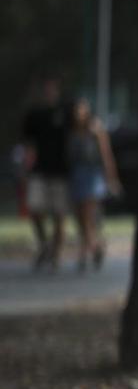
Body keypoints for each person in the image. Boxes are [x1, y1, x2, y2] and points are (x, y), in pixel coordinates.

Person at [20, 74, 72, 272]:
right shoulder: (35, 114)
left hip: (61, 171)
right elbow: (27, 143)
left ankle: (56, 254)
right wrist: (26, 165)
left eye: (52, 88)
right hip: (39, 170)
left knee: (60, 214)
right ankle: (44, 245)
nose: (49, 92)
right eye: (46, 88)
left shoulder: (65, 112)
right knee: (34, 208)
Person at [65, 97, 122, 271]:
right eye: (76, 110)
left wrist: (111, 178)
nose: (79, 113)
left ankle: (86, 253)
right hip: (77, 176)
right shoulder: (72, 131)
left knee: (88, 216)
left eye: (82, 109)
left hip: (93, 176)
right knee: (80, 219)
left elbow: (106, 156)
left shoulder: (96, 129)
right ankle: (96, 246)